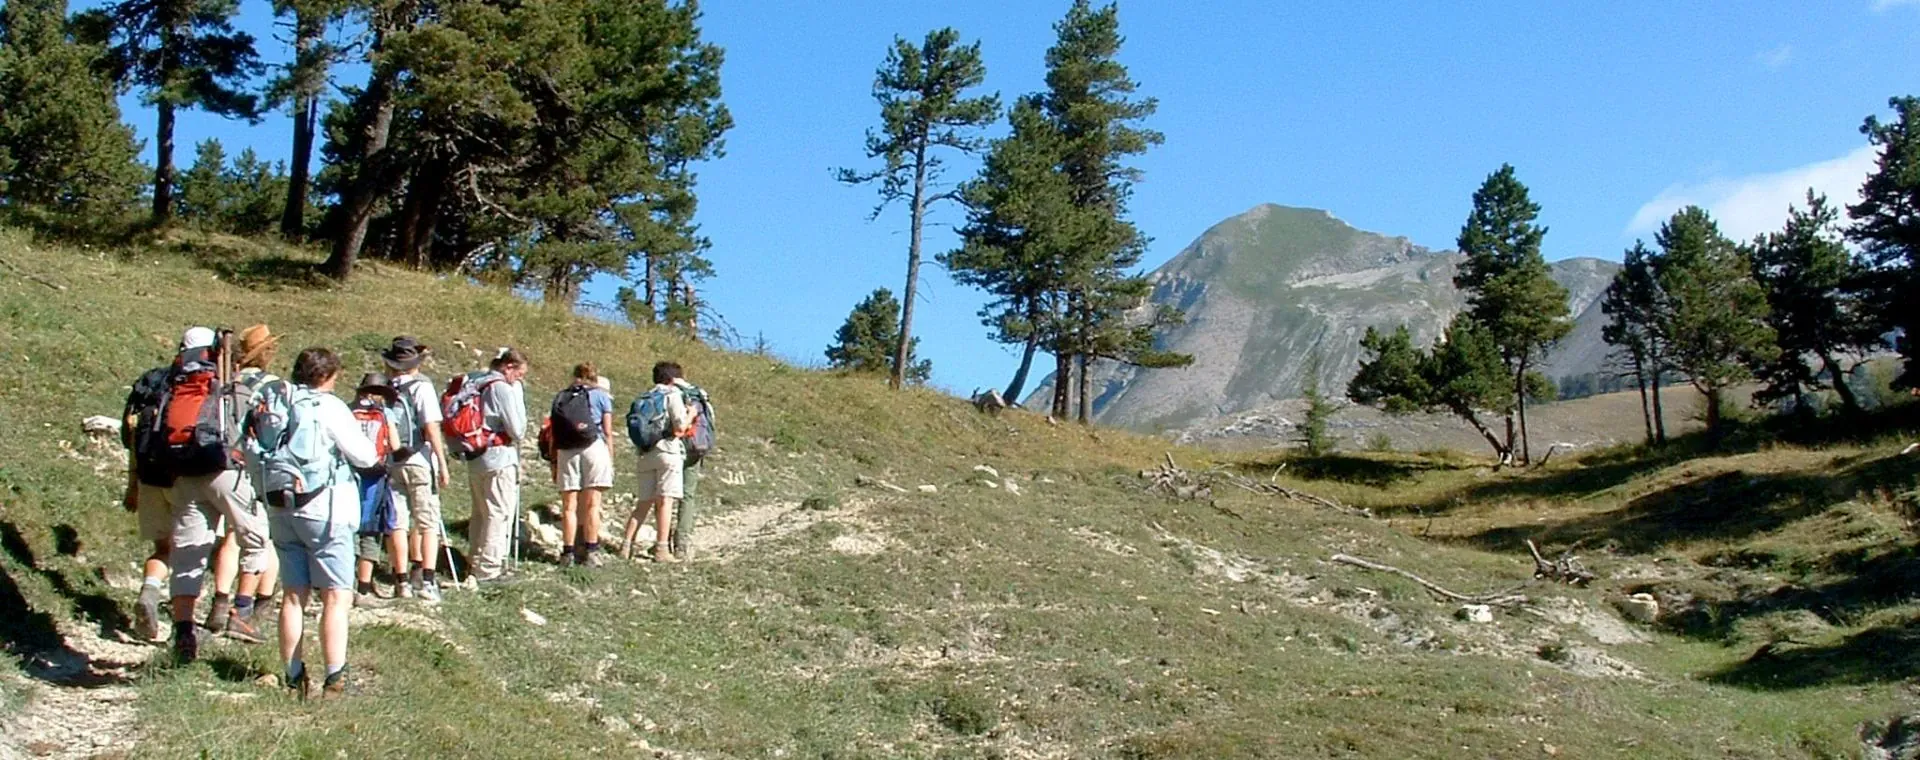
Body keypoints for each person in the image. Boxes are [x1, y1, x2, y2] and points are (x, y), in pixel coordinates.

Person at [267, 347, 380, 699]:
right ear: (329, 375)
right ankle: (335, 677)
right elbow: (365, 455)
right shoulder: (329, 407)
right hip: (326, 510)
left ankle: (293, 673)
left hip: (281, 507)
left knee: (293, 596)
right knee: (335, 597)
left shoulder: (278, 401)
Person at [164, 327, 273, 662]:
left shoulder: (181, 384)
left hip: (184, 470)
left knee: (187, 552)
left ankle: (183, 630)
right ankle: (241, 610)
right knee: (258, 538)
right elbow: (260, 433)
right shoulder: (236, 388)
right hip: (227, 470)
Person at [204, 323, 284, 641]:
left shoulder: (225, 381)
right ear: (267, 353)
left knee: (230, 538)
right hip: (255, 467)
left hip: (219, 462)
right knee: (262, 537)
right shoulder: (273, 385)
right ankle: (249, 608)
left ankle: (219, 603)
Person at [382, 336, 450, 603]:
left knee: (397, 522)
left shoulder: (385, 388)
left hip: (392, 461)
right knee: (427, 522)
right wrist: (442, 464)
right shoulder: (422, 387)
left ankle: (401, 582)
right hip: (420, 460)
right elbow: (431, 426)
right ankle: (426, 581)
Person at [121, 359, 175, 643]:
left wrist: (132, 486)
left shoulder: (154, 386)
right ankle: (185, 627)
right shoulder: (202, 388)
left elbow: (132, 436)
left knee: (163, 548)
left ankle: (150, 590)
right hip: (187, 481)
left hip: (149, 476)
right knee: (191, 554)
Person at [466, 348, 528, 583]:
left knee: (481, 512)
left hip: (476, 455)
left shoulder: (477, 382)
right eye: (519, 374)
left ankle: (475, 560)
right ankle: (489, 569)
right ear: (508, 367)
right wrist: (517, 395)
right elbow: (517, 429)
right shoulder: (501, 387)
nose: (519, 379)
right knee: (498, 513)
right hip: (499, 457)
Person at [623, 362, 691, 564]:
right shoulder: (672, 395)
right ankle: (662, 549)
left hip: (645, 453)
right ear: (673, 379)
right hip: (667, 451)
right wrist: (691, 414)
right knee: (665, 500)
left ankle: (626, 545)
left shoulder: (644, 397)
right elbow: (680, 427)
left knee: (643, 502)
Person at [549, 363, 616, 567]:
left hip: (566, 450)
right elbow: (607, 431)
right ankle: (591, 550)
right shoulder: (601, 396)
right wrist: (610, 458)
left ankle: (567, 552)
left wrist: (554, 460)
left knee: (569, 507)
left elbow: (553, 432)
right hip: (593, 447)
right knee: (592, 504)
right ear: (595, 378)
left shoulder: (561, 396)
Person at [350, 374, 408, 602]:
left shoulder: (347, 410)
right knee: (371, 531)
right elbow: (395, 446)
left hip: (349, 475)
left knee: (348, 530)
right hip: (375, 476)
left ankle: (345, 584)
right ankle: (363, 588)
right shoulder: (385, 413)